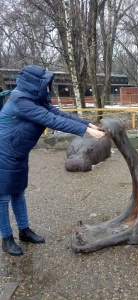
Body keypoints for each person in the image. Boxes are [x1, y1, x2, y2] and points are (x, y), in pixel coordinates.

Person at [0, 65, 105, 256]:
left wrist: (87, 123)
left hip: (17, 153)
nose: (49, 89)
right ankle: (6, 238)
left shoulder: (34, 99)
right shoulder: (21, 100)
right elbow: (51, 120)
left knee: (18, 192)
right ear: (35, 84)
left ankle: (24, 231)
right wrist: (86, 132)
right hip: (3, 153)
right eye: (46, 84)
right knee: (2, 197)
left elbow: (58, 114)